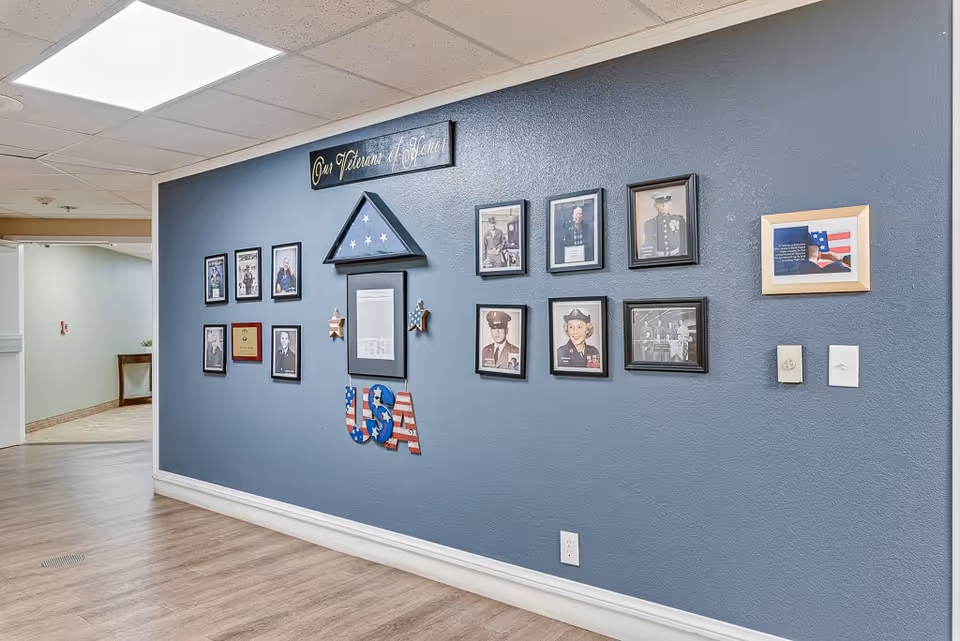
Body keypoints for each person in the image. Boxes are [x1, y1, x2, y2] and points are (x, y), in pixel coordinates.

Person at [642, 192, 686, 257]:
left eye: (666, 202)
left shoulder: (679, 220)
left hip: (677, 256)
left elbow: (685, 241)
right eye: (660, 203)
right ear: (655, 205)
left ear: (670, 204)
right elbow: (649, 246)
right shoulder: (649, 224)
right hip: (658, 258)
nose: (664, 205)